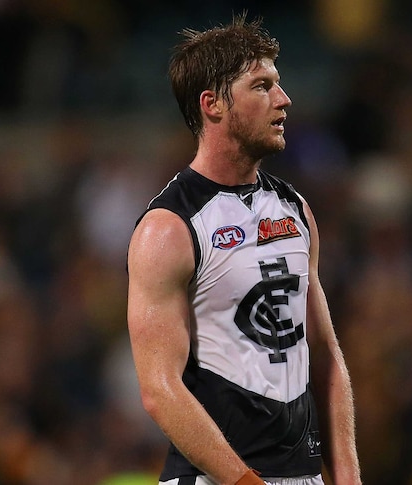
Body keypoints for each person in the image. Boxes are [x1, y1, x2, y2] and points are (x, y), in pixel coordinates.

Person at [126, 15, 361, 485]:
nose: (284, 100)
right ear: (212, 104)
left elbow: (325, 354)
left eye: (279, 84)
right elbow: (159, 388)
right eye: (262, 86)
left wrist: (348, 475)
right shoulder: (168, 227)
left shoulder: (296, 209)